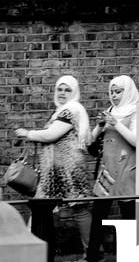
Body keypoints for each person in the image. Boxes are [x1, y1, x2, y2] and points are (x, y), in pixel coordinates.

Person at [15, 74, 93, 252]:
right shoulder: (62, 110)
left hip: (68, 170)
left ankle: (92, 253)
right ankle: (34, 249)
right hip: (56, 170)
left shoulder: (70, 109)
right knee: (43, 207)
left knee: (78, 208)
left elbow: (52, 134)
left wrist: (28, 133)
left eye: (67, 90)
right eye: (60, 89)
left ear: (74, 92)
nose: (62, 93)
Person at [70, 74, 139, 262]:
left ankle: (130, 259)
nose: (114, 95)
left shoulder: (136, 112)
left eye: (119, 91)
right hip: (106, 170)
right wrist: (99, 126)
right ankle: (92, 256)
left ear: (128, 91)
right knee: (99, 213)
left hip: (127, 169)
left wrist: (116, 124)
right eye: (112, 91)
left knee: (128, 215)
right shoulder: (109, 111)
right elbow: (90, 142)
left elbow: (138, 141)